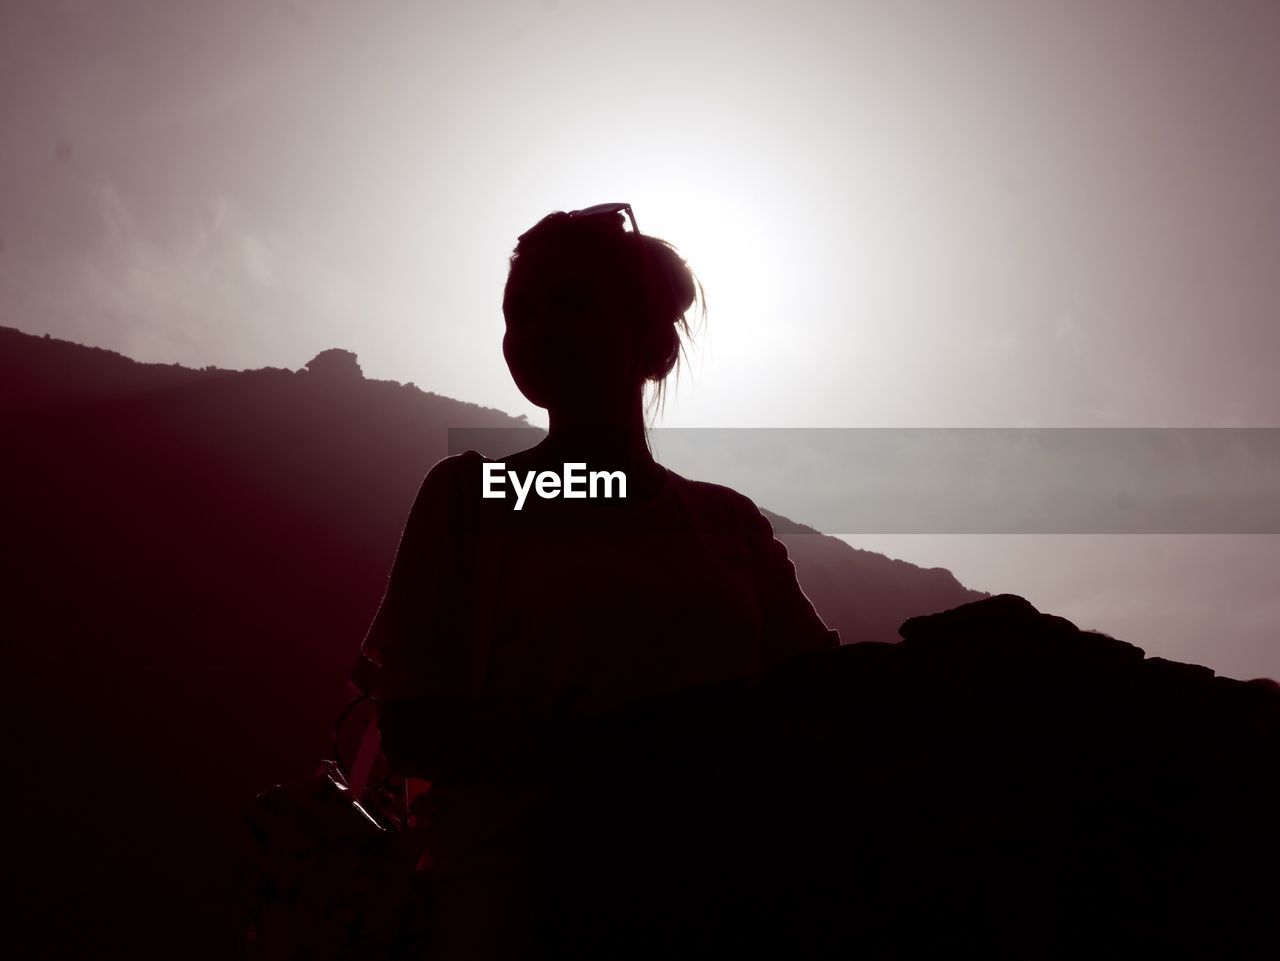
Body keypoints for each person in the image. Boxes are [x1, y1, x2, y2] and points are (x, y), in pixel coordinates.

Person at [359, 203, 839, 958]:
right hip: (521, 912)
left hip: (720, 905)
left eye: (573, 300)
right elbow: (413, 721)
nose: (539, 325)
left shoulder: (727, 521)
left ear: (654, 344)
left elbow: (822, 697)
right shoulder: (468, 498)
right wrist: (639, 750)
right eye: (520, 310)